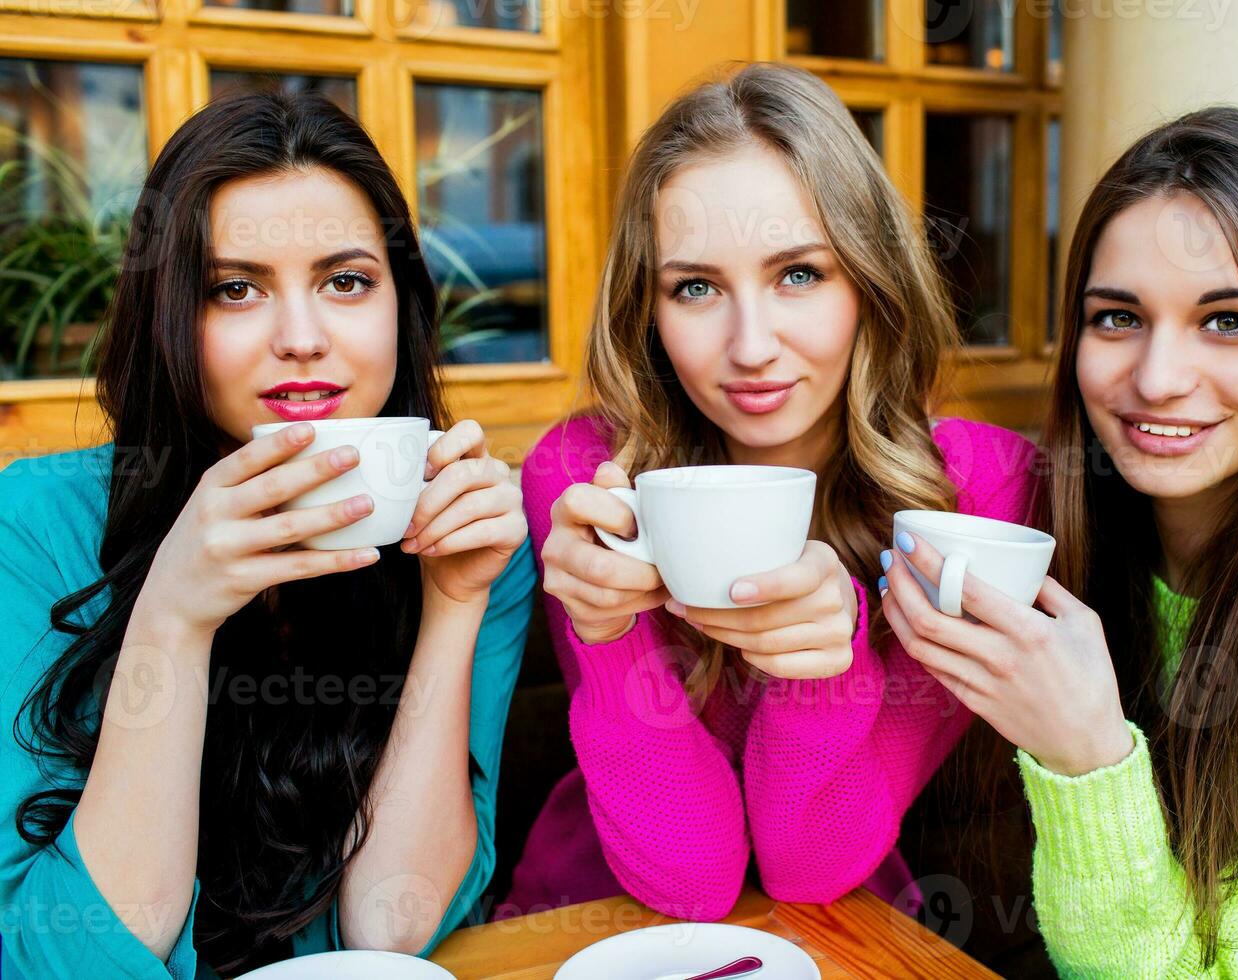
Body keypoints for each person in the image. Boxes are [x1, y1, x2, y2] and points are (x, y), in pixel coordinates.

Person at [882, 107, 1238, 976]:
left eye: (1228, 321)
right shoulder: (1099, 533)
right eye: (1117, 317)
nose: (1157, 380)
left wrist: (1085, 757)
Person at [0, 91, 534, 978]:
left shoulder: (468, 538)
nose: (302, 338)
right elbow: (64, 960)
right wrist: (174, 615)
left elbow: (389, 932)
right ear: (170, 314)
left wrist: (453, 603)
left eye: (346, 281)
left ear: (401, 307)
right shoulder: (36, 527)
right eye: (235, 289)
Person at [499, 63, 1041, 923]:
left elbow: (809, 863)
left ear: (871, 279)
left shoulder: (979, 492)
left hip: (839, 932)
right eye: (697, 287)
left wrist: (831, 660)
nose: (750, 346)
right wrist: (603, 634)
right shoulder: (587, 470)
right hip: (591, 921)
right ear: (648, 310)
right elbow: (689, 877)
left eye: (799, 274)